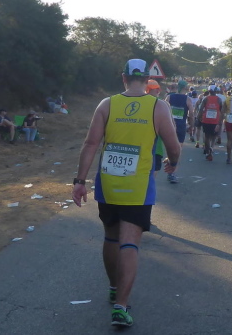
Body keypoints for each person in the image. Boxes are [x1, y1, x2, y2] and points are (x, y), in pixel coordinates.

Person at [71, 59, 180, 328]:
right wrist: (173, 162)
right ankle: (121, 306)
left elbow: (91, 143)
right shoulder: (158, 106)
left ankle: (113, 288)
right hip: (138, 186)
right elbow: (173, 145)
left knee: (111, 236)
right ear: (147, 79)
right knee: (130, 241)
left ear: (123, 78)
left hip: (108, 182)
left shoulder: (106, 104)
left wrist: (80, 181)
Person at [165, 80, 195, 182]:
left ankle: (169, 161)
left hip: (169, 126)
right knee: (178, 151)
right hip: (181, 127)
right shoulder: (188, 99)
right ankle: (172, 173)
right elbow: (191, 114)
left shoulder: (169, 97)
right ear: (185, 88)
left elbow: (163, 110)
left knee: (170, 148)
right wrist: (191, 126)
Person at [197, 85, 224, 161]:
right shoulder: (219, 99)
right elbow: (221, 111)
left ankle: (208, 151)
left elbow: (201, 109)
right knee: (214, 136)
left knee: (207, 136)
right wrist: (220, 122)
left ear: (209, 91)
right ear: (216, 91)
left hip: (206, 120)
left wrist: (198, 117)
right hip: (215, 120)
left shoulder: (205, 99)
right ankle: (211, 147)